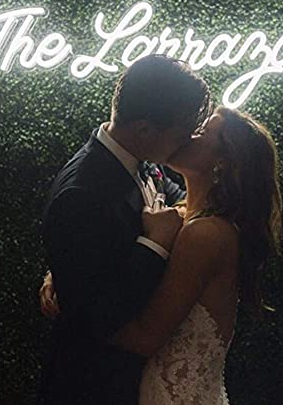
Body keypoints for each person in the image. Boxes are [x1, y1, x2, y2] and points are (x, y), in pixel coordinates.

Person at [41, 105, 283, 404]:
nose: (188, 134)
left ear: (221, 162)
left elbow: (144, 338)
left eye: (201, 132)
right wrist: (68, 265)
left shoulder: (206, 234)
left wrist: (74, 293)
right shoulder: (183, 211)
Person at [37, 55, 211, 405]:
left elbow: (181, 201)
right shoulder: (81, 194)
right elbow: (94, 319)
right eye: (182, 133)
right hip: (93, 386)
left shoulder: (140, 159)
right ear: (144, 129)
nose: (187, 141)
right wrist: (153, 244)